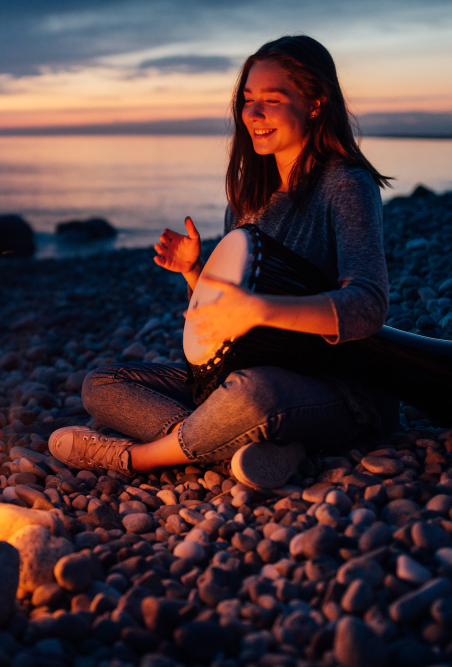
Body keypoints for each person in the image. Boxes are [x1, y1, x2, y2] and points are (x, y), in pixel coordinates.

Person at [48, 35, 399, 490]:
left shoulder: (345, 185)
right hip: (241, 374)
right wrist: (195, 273)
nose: (252, 115)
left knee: (255, 395)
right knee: (102, 384)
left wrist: (260, 311)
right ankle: (250, 440)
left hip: (333, 387)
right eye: (247, 100)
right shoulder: (247, 201)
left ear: (315, 103)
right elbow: (226, 324)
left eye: (271, 100)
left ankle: (138, 458)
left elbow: (369, 306)